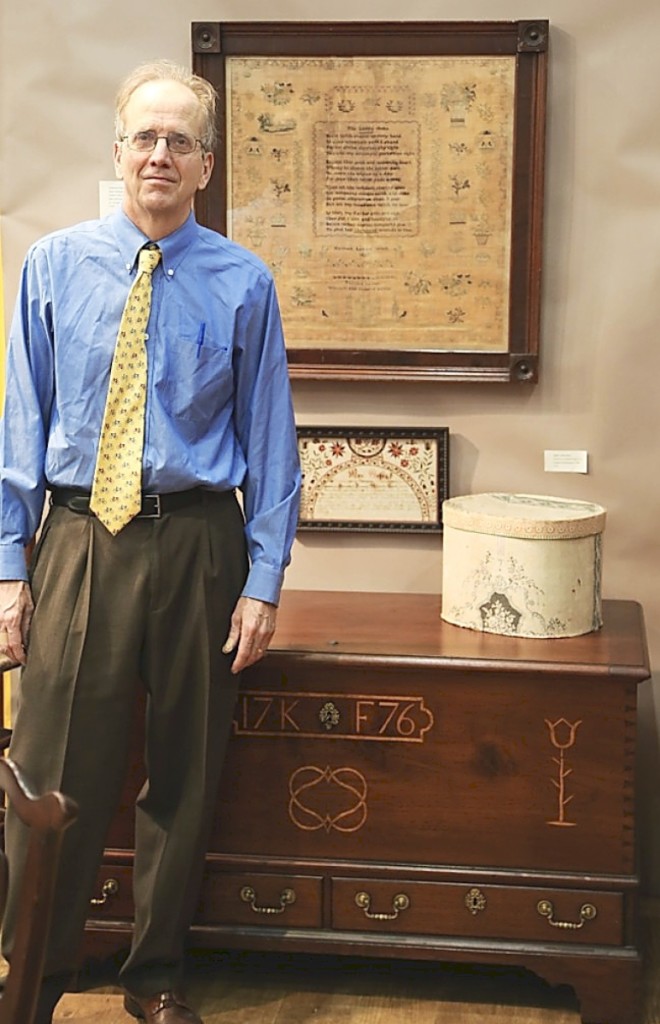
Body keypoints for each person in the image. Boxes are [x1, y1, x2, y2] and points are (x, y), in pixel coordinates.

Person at [0, 59, 301, 1024]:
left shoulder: (244, 283)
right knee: (50, 780)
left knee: (184, 774)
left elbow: (270, 441)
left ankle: (155, 978)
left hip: (199, 549)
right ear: (118, 150)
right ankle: (30, 981)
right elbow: (17, 430)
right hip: (79, 539)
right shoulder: (52, 266)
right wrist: (9, 570)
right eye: (145, 137)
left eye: (180, 140)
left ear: (206, 164)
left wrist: (262, 580)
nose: (160, 155)